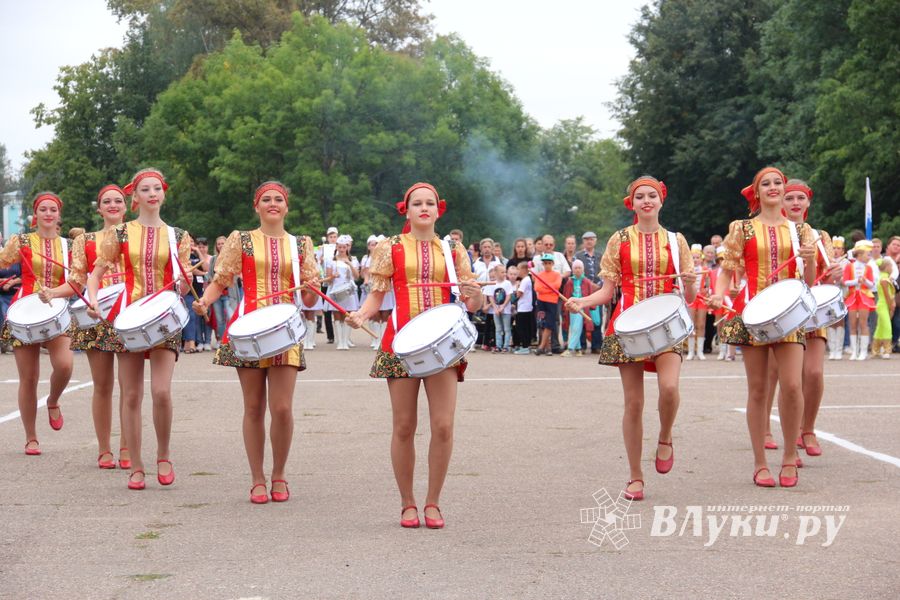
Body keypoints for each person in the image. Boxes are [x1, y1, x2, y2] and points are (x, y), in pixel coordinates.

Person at [346, 182, 483, 529]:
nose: (424, 208)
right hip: (400, 342)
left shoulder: (452, 249)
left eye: (430, 203)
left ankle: (433, 502)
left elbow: (470, 302)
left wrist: (475, 296)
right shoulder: (390, 247)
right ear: (405, 210)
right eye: (417, 203)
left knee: (443, 425)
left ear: (439, 210)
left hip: (442, 343)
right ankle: (407, 503)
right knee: (404, 426)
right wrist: (361, 315)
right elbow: (377, 296)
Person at [567, 176, 694, 501]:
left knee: (669, 387)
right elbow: (608, 291)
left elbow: (690, 295)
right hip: (630, 325)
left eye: (652, 195)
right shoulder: (619, 239)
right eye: (640, 196)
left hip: (667, 323)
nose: (647, 200)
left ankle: (665, 436)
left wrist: (691, 283)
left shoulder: (676, 241)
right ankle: (635, 476)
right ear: (632, 203)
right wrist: (582, 301)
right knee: (633, 403)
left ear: (661, 200)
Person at [193, 181, 319, 504]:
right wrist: (205, 301)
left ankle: (279, 473)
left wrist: (311, 289)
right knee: (253, 407)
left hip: (285, 331)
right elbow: (222, 280)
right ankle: (257, 478)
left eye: (279, 199)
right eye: (267, 199)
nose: (273, 203)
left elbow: (308, 295)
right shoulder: (242, 240)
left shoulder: (300, 244)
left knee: (282, 408)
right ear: (257, 206)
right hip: (248, 328)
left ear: (287, 207)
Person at [708, 167, 816, 488]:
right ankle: (759, 462)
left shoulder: (801, 231)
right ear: (757, 192)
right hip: (751, 312)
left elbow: (807, 283)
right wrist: (719, 292)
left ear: (785, 190)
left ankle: (788, 457)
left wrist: (809, 260)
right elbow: (728, 269)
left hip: (788, 313)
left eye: (778, 183)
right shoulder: (742, 228)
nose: (773, 187)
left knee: (793, 386)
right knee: (758, 389)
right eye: (766, 183)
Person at [88, 168, 191, 490]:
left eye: (156, 188)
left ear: (163, 194)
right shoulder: (120, 234)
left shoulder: (178, 236)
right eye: (145, 189)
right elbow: (95, 274)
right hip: (128, 318)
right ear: (135, 197)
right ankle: (137, 465)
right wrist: (93, 300)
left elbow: (185, 285)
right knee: (131, 395)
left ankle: (163, 453)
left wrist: (186, 282)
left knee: (161, 392)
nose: (151, 194)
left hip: (163, 318)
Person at [38, 185, 130, 468]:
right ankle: (104, 449)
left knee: (130, 388)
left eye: (118, 201)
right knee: (102, 385)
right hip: (96, 317)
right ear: (99, 208)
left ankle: (128, 447)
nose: (113, 205)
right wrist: (53, 292)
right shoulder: (86, 241)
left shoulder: (138, 236)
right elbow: (77, 281)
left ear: (126, 206)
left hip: (130, 317)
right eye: (107, 202)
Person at [0, 192, 74, 455]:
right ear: (35, 215)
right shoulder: (20, 241)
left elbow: (76, 280)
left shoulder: (69, 247)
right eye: (43, 209)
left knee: (65, 366)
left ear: (58, 215)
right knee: (28, 378)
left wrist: (57, 292)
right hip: (24, 313)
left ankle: (53, 400)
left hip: (57, 310)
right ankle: (31, 437)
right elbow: (1, 263)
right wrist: (6, 282)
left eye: (53, 209)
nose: (48, 213)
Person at [843, 239, 876, 360]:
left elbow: (871, 284)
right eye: (868, 254)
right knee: (852, 324)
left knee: (863, 323)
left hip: (864, 297)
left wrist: (865, 281)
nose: (869, 256)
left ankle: (863, 351)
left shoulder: (869, 268)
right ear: (860, 254)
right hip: (852, 296)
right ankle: (854, 351)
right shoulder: (849, 267)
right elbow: (845, 282)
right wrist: (856, 281)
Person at [561, 259, 598, 357]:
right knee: (574, 328)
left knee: (577, 328)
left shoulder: (587, 281)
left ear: (583, 269)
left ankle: (570, 348)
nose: (577, 270)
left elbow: (590, 295)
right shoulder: (570, 282)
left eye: (579, 268)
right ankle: (578, 349)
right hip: (572, 308)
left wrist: (592, 306)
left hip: (582, 308)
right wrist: (565, 308)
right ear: (573, 270)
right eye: (575, 268)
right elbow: (566, 294)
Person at [574, 231, 604, 354]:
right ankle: (581, 345)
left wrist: (600, 285)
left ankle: (596, 345)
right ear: (583, 241)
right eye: (586, 239)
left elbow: (605, 272)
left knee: (597, 318)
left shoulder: (600, 255)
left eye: (591, 239)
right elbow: (576, 272)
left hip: (599, 290)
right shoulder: (578, 256)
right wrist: (588, 283)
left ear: (595, 240)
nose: (589, 241)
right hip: (583, 290)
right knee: (581, 317)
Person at [532, 254, 562, 356]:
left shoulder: (557, 275)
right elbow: (537, 288)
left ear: (552, 264)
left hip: (552, 302)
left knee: (549, 324)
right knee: (542, 324)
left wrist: (545, 287)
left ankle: (541, 347)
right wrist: (549, 288)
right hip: (541, 302)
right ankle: (547, 348)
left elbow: (557, 286)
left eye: (549, 263)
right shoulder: (539, 275)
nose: (547, 265)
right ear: (543, 264)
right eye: (545, 263)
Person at [685, 244, 710, 360]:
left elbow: (709, 285)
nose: (695, 260)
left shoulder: (705, 270)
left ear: (701, 258)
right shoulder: (687, 271)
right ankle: (691, 351)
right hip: (691, 298)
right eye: (693, 258)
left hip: (702, 299)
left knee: (701, 324)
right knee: (691, 324)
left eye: (697, 258)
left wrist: (708, 290)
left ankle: (699, 351)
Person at [873, 258, 895, 359]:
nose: (892, 268)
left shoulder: (885, 278)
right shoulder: (884, 280)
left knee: (880, 327)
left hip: (883, 304)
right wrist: (891, 306)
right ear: (886, 268)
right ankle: (886, 349)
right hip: (883, 304)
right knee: (887, 326)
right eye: (890, 266)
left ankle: (876, 349)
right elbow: (887, 295)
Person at [488, 264, 513, 352]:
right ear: (496, 273)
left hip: (506, 310)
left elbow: (509, 296)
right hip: (496, 310)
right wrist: (495, 308)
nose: (504, 274)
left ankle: (505, 346)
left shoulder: (507, 283)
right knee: (498, 328)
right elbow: (491, 297)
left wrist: (502, 306)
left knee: (507, 328)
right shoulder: (493, 283)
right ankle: (498, 346)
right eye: (502, 272)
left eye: (505, 272)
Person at [512, 264, 534, 354]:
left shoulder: (525, 280)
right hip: (527, 307)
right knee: (526, 327)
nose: (517, 271)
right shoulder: (527, 279)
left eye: (518, 269)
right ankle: (526, 345)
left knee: (521, 328)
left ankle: (525, 346)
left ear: (524, 270)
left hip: (523, 308)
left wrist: (516, 289)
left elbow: (519, 293)